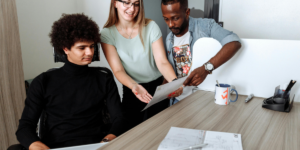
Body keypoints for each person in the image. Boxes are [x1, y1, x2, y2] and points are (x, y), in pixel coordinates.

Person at [16, 13, 127, 149]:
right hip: (55, 147)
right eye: (82, 48)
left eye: (92, 46)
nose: (90, 52)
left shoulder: (103, 78)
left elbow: (119, 118)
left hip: (97, 145)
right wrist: (37, 145)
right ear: (65, 48)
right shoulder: (43, 81)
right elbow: (25, 127)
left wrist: (108, 139)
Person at [100, 0, 182, 130]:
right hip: (133, 89)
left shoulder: (151, 26)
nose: (132, 9)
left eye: (136, 4)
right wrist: (134, 86)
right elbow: (118, 70)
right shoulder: (107, 34)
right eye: (126, 3)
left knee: (159, 131)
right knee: (132, 135)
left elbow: (162, 62)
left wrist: (174, 82)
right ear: (115, 3)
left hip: (158, 89)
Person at [161, 0, 242, 105]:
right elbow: (171, 70)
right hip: (177, 101)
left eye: (175, 18)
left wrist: (206, 69)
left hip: (203, 101)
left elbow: (234, 42)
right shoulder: (169, 39)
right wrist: (166, 88)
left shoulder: (206, 26)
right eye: (166, 19)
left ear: (187, 12)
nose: (171, 24)